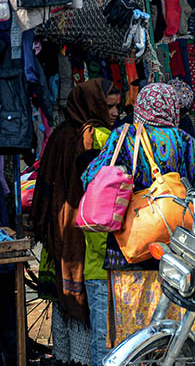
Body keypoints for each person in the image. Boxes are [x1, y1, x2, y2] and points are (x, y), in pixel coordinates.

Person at [81, 83, 195, 349]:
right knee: (174, 338)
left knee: (132, 335)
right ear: (171, 108)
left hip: (129, 250)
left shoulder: (122, 137)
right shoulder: (183, 141)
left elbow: (90, 179)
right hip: (176, 252)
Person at [31, 79, 120, 366]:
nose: (116, 112)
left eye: (118, 106)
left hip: (58, 227)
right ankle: (79, 360)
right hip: (85, 233)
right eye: (110, 106)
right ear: (92, 105)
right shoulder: (99, 137)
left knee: (61, 295)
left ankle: (64, 357)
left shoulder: (58, 134)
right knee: (81, 300)